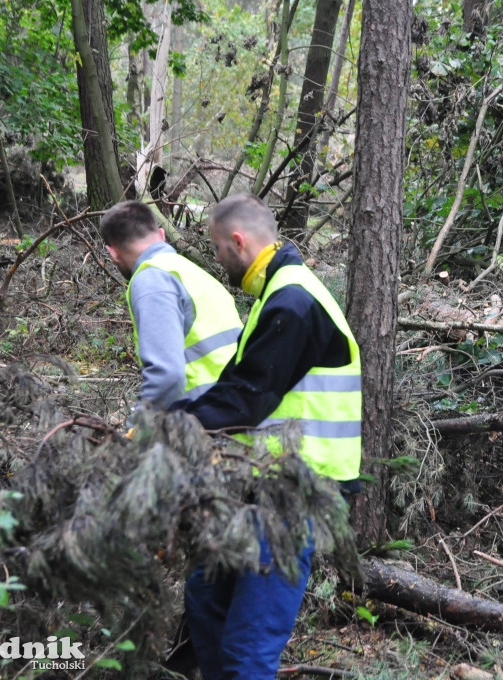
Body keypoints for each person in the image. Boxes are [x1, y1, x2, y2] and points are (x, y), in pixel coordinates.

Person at [172, 193, 362, 680]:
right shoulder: (277, 293)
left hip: (296, 491)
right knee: (205, 595)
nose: (216, 259)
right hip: (265, 481)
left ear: (238, 241)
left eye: (217, 248)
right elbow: (239, 385)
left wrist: (172, 425)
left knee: (248, 646)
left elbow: (247, 398)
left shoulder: (292, 301)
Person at [99, 200, 242, 410]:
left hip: (203, 418)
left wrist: (138, 430)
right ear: (162, 235)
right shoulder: (193, 273)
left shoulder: (151, 280)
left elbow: (166, 376)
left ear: (112, 252)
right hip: (237, 409)